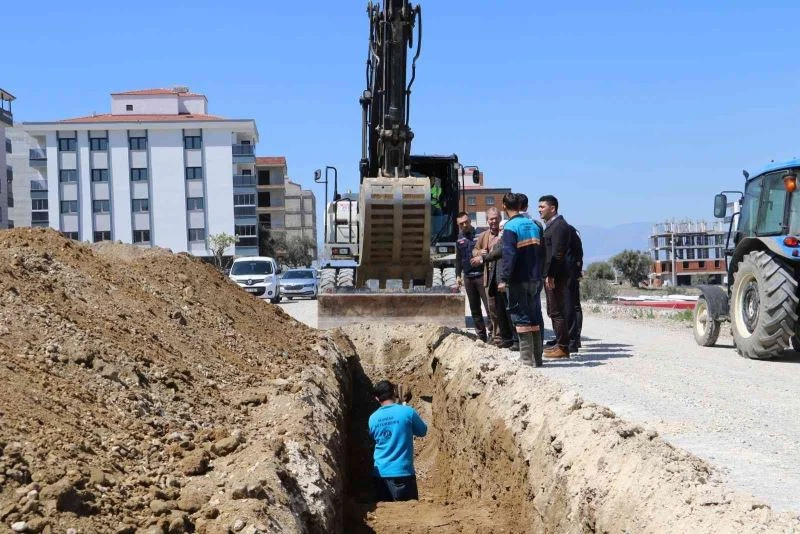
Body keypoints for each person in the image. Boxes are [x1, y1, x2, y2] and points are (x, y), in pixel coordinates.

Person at [498, 193, 544, 367]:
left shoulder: (510, 226)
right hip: (535, 278)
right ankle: (537, 358)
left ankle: (525, 359)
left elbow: (509, 255)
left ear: (504, 206)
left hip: (519, 278)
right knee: (534, 316)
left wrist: (504, 278)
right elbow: (542, 252)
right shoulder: (534, 224)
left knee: (521, 316)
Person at [369, 380, 428, 502]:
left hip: (380, 475)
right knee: (408, 511)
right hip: (403, 474)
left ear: (376, 398)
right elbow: (422, 431)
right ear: (393, 394)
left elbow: (374, 437)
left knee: (386, 512)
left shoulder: (372, 418)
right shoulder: (407, 412)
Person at [472, 207, 518, 350]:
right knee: (493, 308)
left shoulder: (506, 233)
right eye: (491, 219)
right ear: (487, 220)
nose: (494, 221)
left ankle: (510, 337)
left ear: (500, 218)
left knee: (508, 308)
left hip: (504, 276)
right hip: (490, 277)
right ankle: (497, 336)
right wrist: (479, 252)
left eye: (496, 218)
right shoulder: (483, 235)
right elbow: (474, 250)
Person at [538, 195, 572, 359]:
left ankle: (563, 348)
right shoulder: (551, 225)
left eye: (542, 207)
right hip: (551, 274)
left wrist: (551, 275)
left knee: (557, 310)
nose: (539, 210)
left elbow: (557, 254)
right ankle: (559, 343)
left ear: (552, 208)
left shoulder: (559, 226)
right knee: (553, 310)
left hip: (556, 275)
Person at [455, 211, 493, 342]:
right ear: (458, 225)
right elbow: (458, 259)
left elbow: (490, 251)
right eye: (461, 223)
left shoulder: (481, 234)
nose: (464, 225)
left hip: (482, 275)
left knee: (489, 307)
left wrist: (483, 253)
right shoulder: (459, 238)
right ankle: (481, 336)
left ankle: (493, 334)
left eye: (466, 222)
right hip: (468, 277)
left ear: (470, 221)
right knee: (475, 309)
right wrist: (458, 276)